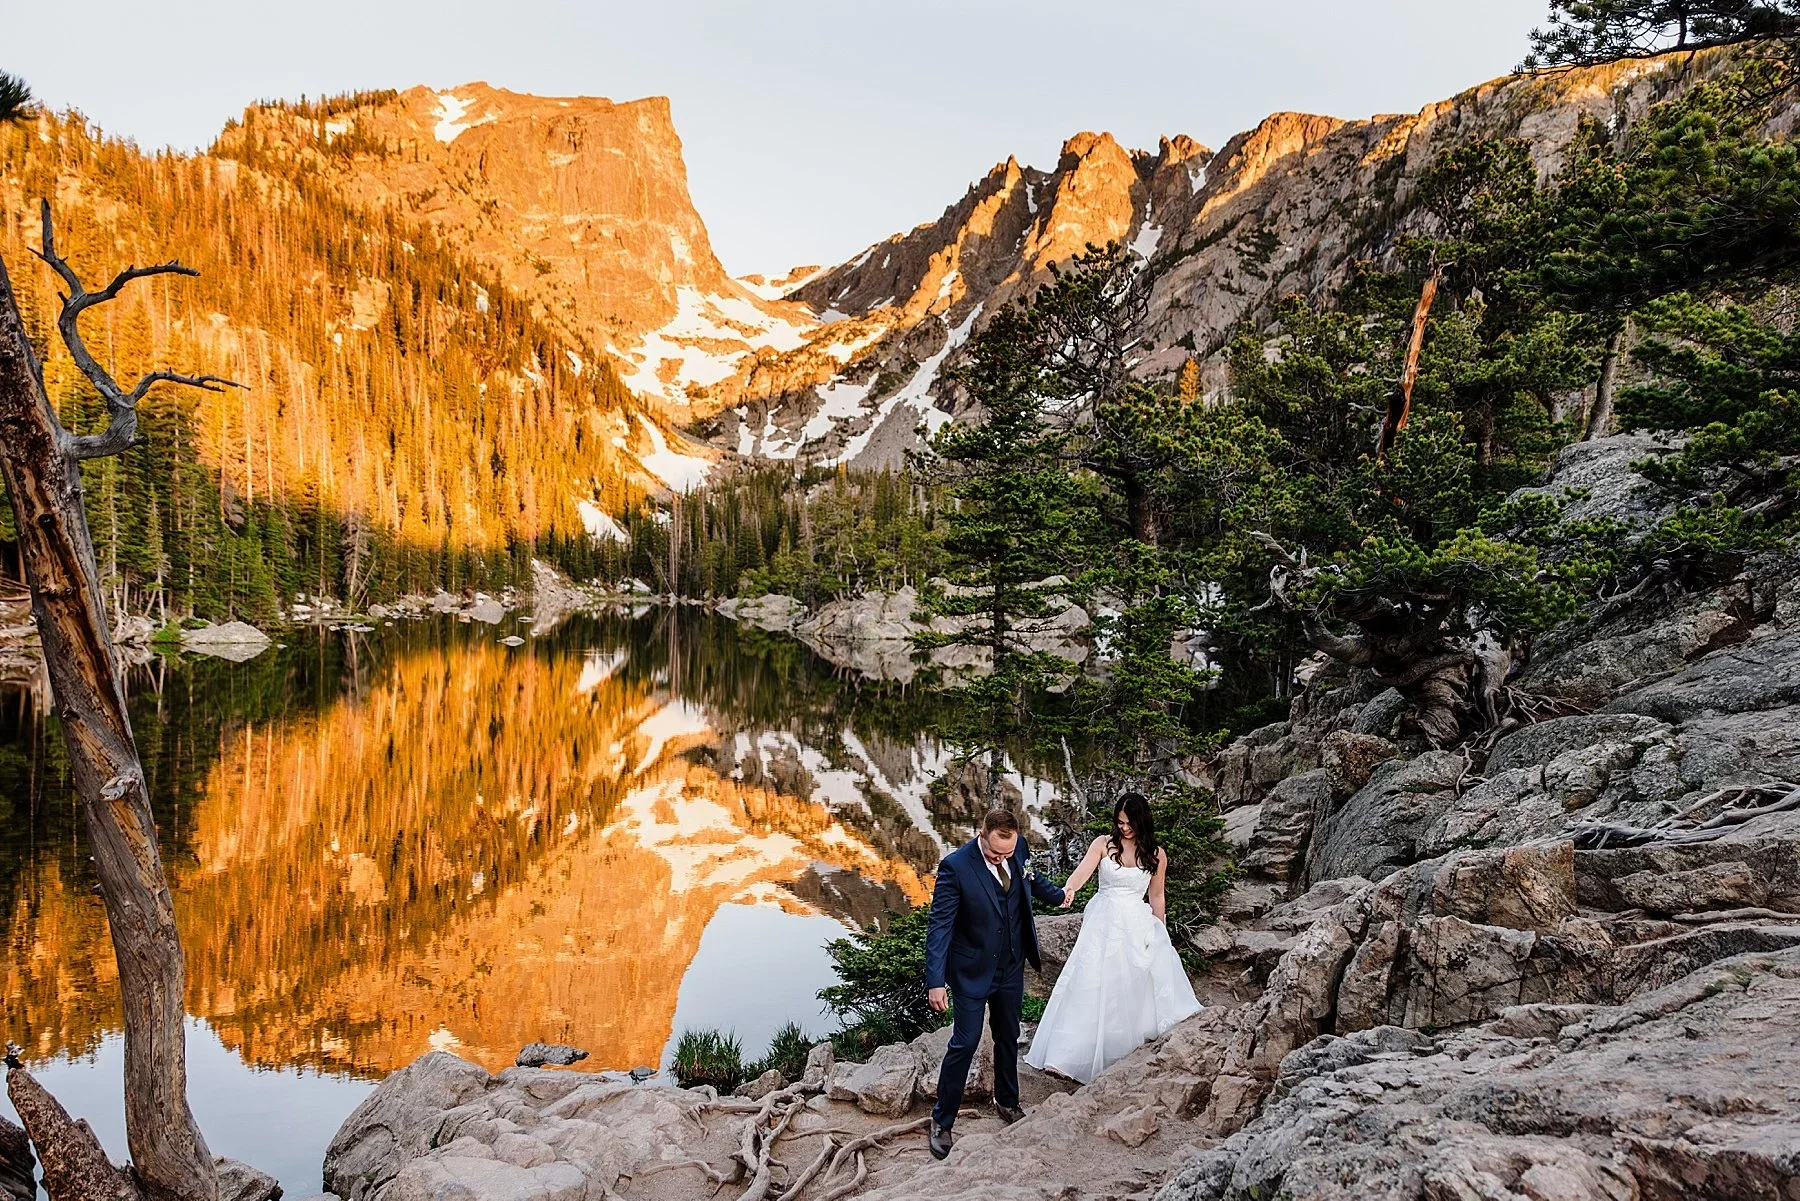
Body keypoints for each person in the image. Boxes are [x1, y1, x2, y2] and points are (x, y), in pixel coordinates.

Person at [922, 806, 1069, 1160]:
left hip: (1010, 967)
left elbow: (1031, 881)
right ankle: (942, 1121)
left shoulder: (1019, 850)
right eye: (995, 852)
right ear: (982, 832)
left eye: (1007, 852)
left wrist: (1060, 895)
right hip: (971, 971)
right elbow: (940, 927)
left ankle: (1007, 1101)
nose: (1002, 857)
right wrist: (935, 981)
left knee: (1008, 1035)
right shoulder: (955, 867)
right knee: (965, 1041)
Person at [1024, 792, 1202, 1083]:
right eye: (1120, 822)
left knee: (1126, 985)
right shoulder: (1103, 845)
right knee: (1088, 981)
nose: (1125, 828)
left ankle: (1118, 1050)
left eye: (1130, 823)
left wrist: (1160, 932)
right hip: (1103, 920)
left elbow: (1157, 897)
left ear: (1142, 822)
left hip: (1135, 922)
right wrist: (1068, 890)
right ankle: (1065, 1056)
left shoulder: (1156, 854)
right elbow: (1081, 874)